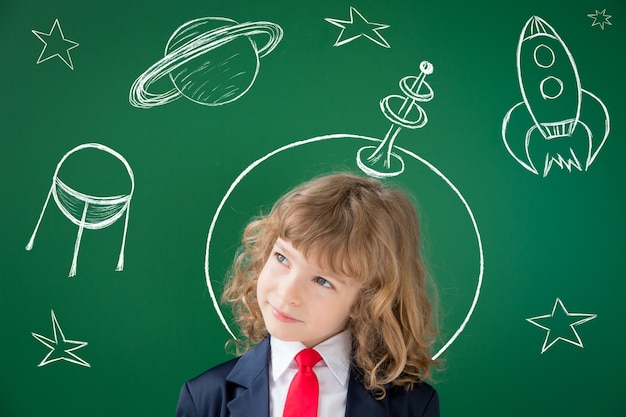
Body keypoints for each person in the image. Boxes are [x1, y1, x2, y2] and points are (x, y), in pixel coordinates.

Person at [176, 172, 440, 417]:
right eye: (282, 258)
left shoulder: (412, 405)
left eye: (322, 280)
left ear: (366, 300)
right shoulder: (206, 397)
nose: (287, 292)